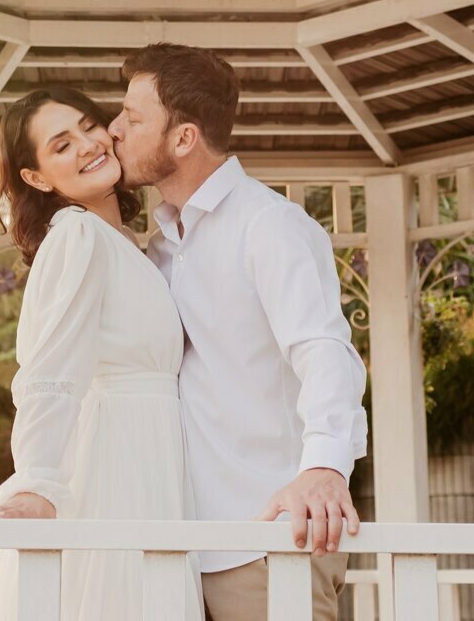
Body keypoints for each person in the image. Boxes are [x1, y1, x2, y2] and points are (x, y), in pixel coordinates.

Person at [115, 43, 368, 621]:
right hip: (183, 554)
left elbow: (325, 350)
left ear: (183, 139)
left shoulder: (270, 226)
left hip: (269, 544)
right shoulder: (159, 246)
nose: (113, 131)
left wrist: (325, 469)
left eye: (132, 119)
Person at [0, 85, 203, 621]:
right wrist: (33, 483)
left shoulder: (126, 245)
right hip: (110, 469)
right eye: (60, 145)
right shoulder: (76, 235)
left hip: (151, 463)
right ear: (37, 178)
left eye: (88, 126)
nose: (87, 145)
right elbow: (48, 373)